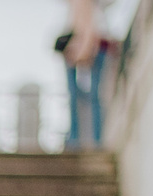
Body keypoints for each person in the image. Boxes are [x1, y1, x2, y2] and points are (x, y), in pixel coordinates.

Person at [59, 0, 119, 149]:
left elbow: (88, 25)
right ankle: (86, 140)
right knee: (86, 97)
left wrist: (84, 49)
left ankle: (83, 140)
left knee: (91, 97)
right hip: (84, 45)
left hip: (87, 46)